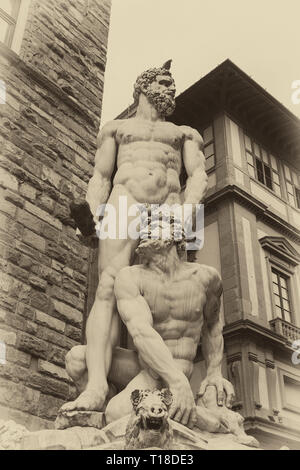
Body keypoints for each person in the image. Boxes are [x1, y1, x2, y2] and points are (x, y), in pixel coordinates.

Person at [62, 61, 208, 412]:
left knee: (169, 295)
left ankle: (165, 382)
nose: (171, 88)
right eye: (164, 81)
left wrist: (185, 215)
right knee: (108, 289)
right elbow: (100, 176)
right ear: (143, 86)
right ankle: (97, 385)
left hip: (169, 208)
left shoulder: (184, 133)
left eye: (172, 84)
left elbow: (199, 176)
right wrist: (94, 213)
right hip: (124, 202)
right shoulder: (115, 129)